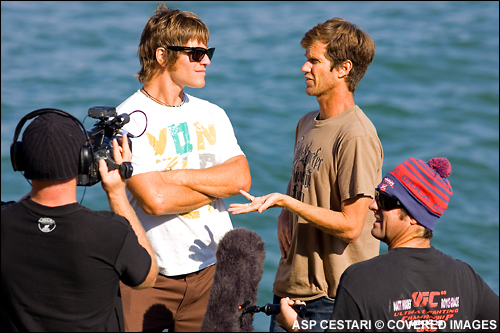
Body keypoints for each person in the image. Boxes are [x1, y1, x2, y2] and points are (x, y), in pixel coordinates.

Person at [228, 17, 382, 332]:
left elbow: (352, 226)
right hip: (290, 289)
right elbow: (306, 180)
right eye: (305, 59)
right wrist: (286, 215)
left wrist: (288, 204)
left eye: (314, 60)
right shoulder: (307, 122)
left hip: (333, 298)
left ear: (343, 69)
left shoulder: (356, 135)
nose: (304, 68)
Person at [116, 3, 251, 332]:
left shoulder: (212, 114)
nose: (206, 60)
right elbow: (155, 201)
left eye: (208, 52)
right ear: (162, 56)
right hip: (149, 275)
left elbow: (241, 178)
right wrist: (215, 186)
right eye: (196, 53)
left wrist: (177, 178)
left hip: (212, 272)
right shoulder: (128, 120)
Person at [277, 157, 500, 332]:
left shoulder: (359, 280)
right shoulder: (467, 279)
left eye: (385, 200)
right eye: (377, 195)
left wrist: (296, 325)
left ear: (414, 216)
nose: (373, 205)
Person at [1, 111, 158, 331]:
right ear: (84, 162)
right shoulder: (110, 232)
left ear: (19, 159)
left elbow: (23, 211)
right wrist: (116, 193)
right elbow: (147, 278)